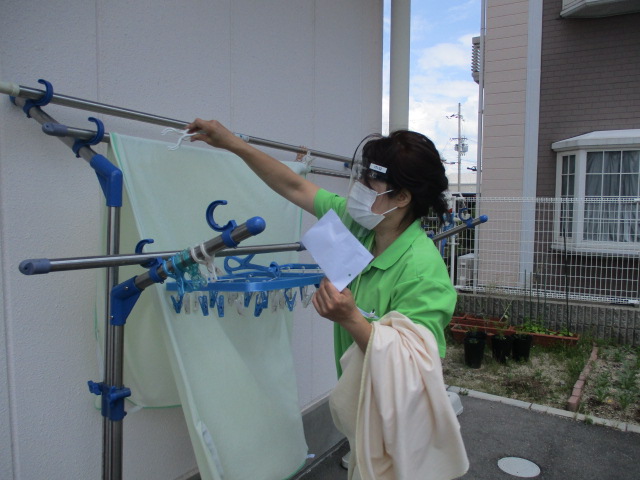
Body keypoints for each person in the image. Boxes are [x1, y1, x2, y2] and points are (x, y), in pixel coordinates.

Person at [186, 119, 468, 479]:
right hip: (362, 407)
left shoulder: (422, 270)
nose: (359, 189)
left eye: (371, 182)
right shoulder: (362, 227)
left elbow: (414, 363)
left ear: (402, 198)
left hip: (396, 417)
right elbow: (293, 185)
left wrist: (351, 319)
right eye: (361, 177)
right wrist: (232, 143)